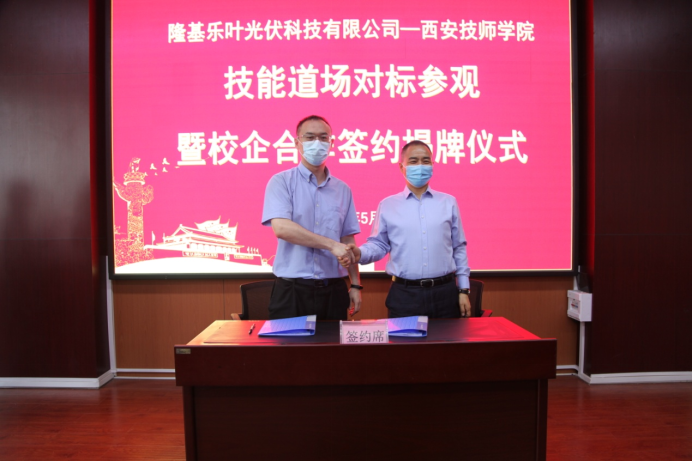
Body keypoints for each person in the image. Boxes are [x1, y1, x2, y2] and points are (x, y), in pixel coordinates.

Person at [343, 140, 472, 318]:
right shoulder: (388, 205)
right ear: (401, 166)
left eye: (426, 161)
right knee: (404, 338)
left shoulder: (448, 202)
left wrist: (463, 289)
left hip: (445, 293)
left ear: (433, 165)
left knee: (447, 338)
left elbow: (459, 247)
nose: (420, 166)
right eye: (413, 161)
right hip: (405, 295)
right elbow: (379, 245)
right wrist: (360, 253)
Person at [262, 115, 362, 320]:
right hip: (292, 291)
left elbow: (347, 241)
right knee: (288, 343)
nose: (317, 143)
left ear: (331, 143)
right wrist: (331, 245)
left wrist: (355, 284)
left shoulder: (343, 189)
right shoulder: (281, 182)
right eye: (309, 137)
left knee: (333, 342)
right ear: (296, 142)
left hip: (333, 290)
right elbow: (282, 228)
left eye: (323, 138)